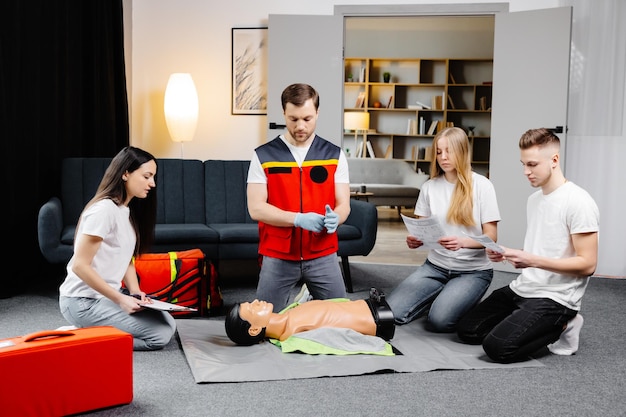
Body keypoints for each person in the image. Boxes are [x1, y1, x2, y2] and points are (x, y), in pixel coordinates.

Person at [456, 128, 599, 363]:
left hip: (556, 297)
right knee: (467, 329)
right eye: (523, 164)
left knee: (497, 348)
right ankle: (526, 319)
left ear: (554, 160)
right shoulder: (534, 200)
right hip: (525, 286)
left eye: (532, 164)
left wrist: (531, 260)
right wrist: (506, 254)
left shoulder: (579, 202)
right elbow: (545, 247)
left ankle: (566, 324)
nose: (526, 172)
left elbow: (588, 264)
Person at [59, 146, 176, 351]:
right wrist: (121, 299)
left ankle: (97, 330)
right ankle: (82, 338)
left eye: (153, 177)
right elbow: (80, 266)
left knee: (168, 322)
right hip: (82, 302)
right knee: (159, 336)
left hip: (105, 297)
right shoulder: (103, 211)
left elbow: (126, 257)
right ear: (125, 173)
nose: (152, 183)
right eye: (147, 176)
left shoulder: (123, 210)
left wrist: (135, 291)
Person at [247, 83, 350, 312]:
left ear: (317, 113)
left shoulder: (334, 155)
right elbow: (256, 209)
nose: (300, 126)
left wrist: (338, 218)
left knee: (343, 320)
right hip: (278, 254)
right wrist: (298, 219)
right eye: (293, 119)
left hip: (322, 252)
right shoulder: (263, 155)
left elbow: (344, 204)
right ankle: (303, 303)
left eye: (307, 118)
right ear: (284, 113)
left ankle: (307, 302)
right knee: (263, 324)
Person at [386, 126, 501, 332]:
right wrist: (415, 240)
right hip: (434, 267)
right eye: (439, 152)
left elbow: (491, 236)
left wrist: (463, 242)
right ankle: (444, 295)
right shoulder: (429, 187)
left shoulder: (483, 186)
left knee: (439, 322)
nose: (443, 157)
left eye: (449, 151)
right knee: (391, 313)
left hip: (472, 272)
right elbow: (422, 228)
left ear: (462, 152)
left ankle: (450, 299)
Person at [225, 288, 394, 346]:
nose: (255, 301)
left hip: (369, 303)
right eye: (252, 309)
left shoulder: (289, 313)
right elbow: (337, 342)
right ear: (254, 330)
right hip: (378, 319)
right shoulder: (295, 334)